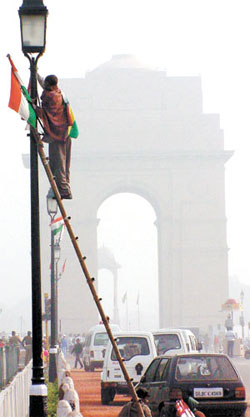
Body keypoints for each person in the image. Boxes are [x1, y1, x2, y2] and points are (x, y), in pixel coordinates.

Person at [36, 74, 73, 200]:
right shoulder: (58, 92)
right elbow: (43, 83)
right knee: (63, 163)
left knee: (58, 163)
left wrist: (34, 108)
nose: (44, 87)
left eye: (46, 85)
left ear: (49, 85)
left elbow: (46, 113)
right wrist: (35, 73)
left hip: (58, 134)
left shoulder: (52, 97)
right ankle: (63, 188)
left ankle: (63, 190)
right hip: (64, 132)